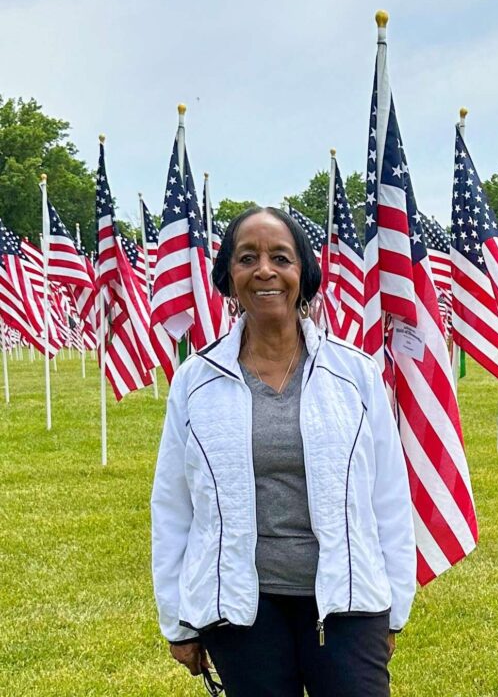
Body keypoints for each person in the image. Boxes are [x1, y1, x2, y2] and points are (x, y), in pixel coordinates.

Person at [151, 206, 415, 696]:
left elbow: (389, 498)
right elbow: (173, 506)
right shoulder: (195, 381)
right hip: (240, 608)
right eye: (247, 257)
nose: (265, 270)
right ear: (229, 277)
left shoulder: (355, 375)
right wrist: (178, 620)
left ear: (303, 274)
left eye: (281, 257)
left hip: (347, 604)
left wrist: (394, 608)